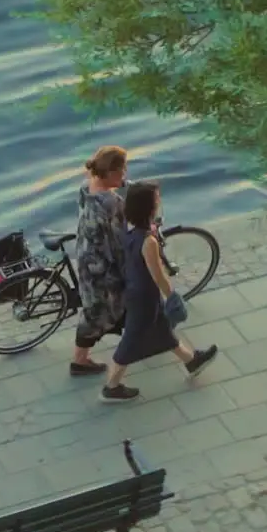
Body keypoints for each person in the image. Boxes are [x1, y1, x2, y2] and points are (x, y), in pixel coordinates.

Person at [101, 181, 217, 403]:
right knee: (131, 340)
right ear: (148, 207)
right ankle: (111, 387)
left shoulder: (128, 226)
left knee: (162, 330)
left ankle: (192, 360)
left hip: (132, 287)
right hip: (144, 297)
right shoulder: (148, 242)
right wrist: (172, 296)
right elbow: (158, 275)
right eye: (156, 199)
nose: (159, 201)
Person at [71, 146, 130, 376]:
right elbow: (118, 242)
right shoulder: (111, 202)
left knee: (94, 308)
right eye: (122, 169)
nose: (125, 173)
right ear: (111, 172)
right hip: (102, 267)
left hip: (86, 257)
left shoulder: (87, 188)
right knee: (98, 311)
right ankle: (80, 361)